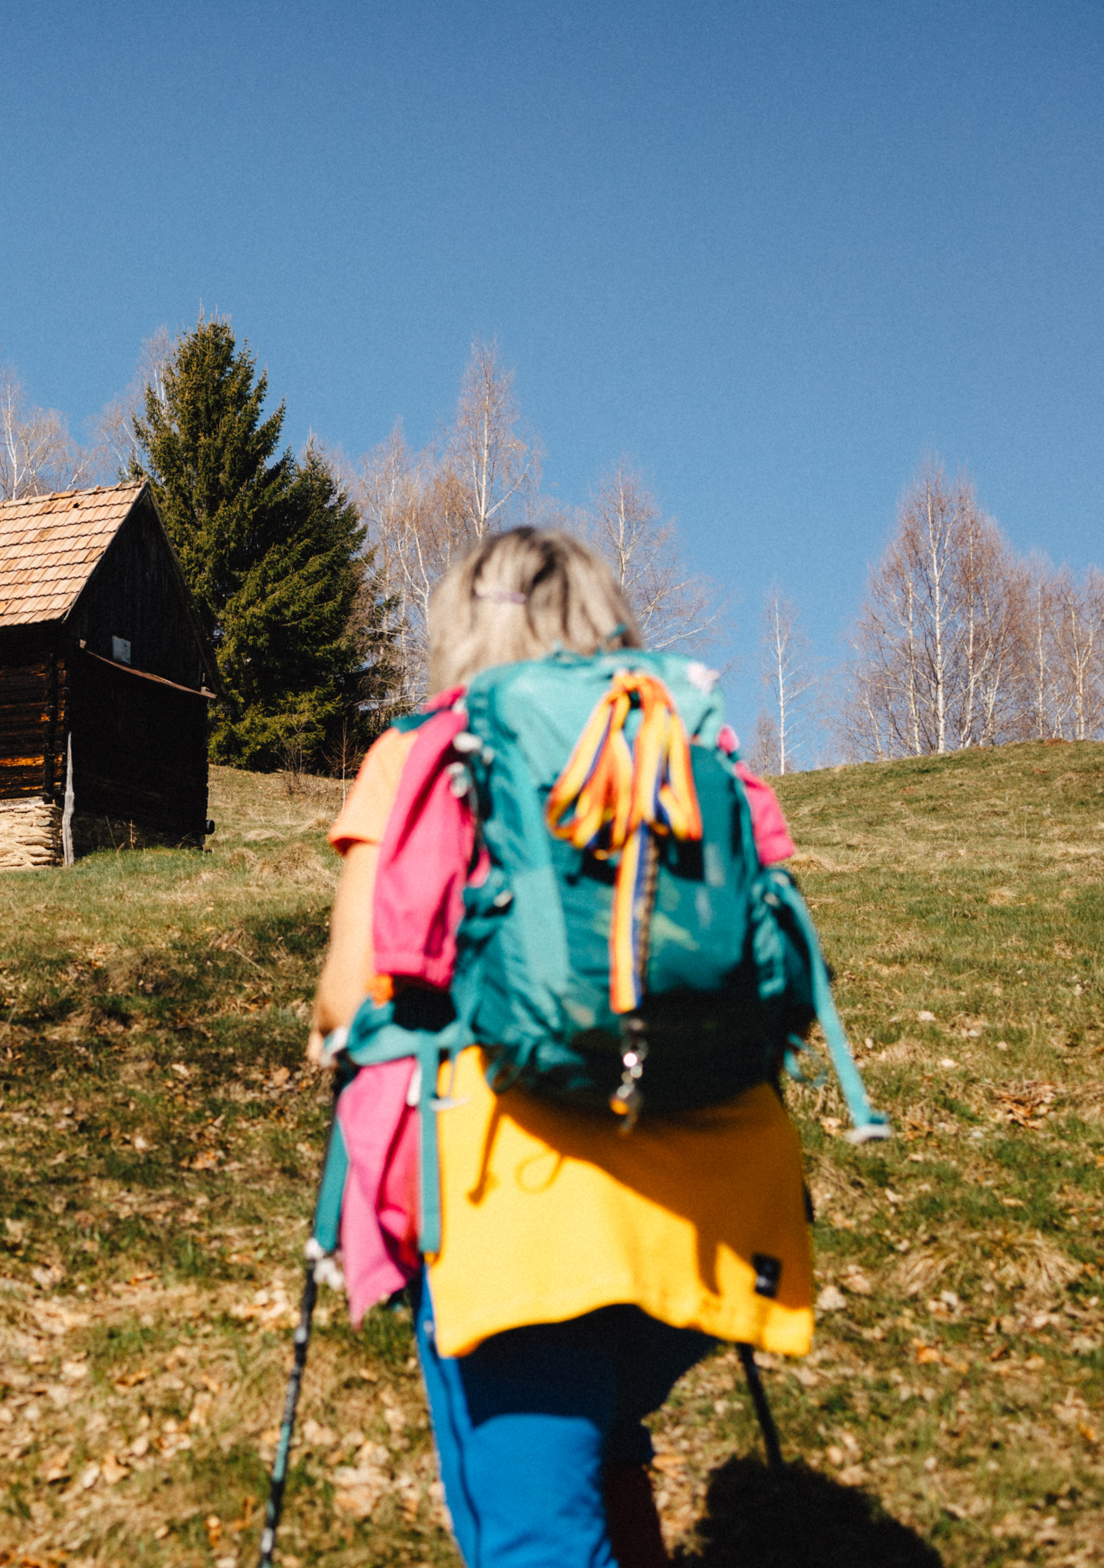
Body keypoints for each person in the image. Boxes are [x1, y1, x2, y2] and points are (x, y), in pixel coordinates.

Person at [309, 526, 817, 1568]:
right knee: (604, 1440)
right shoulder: (679, 737)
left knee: (535, 1534)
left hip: (518, 1210)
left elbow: (343, 997)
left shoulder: (424, 746)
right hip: (719, 1202)